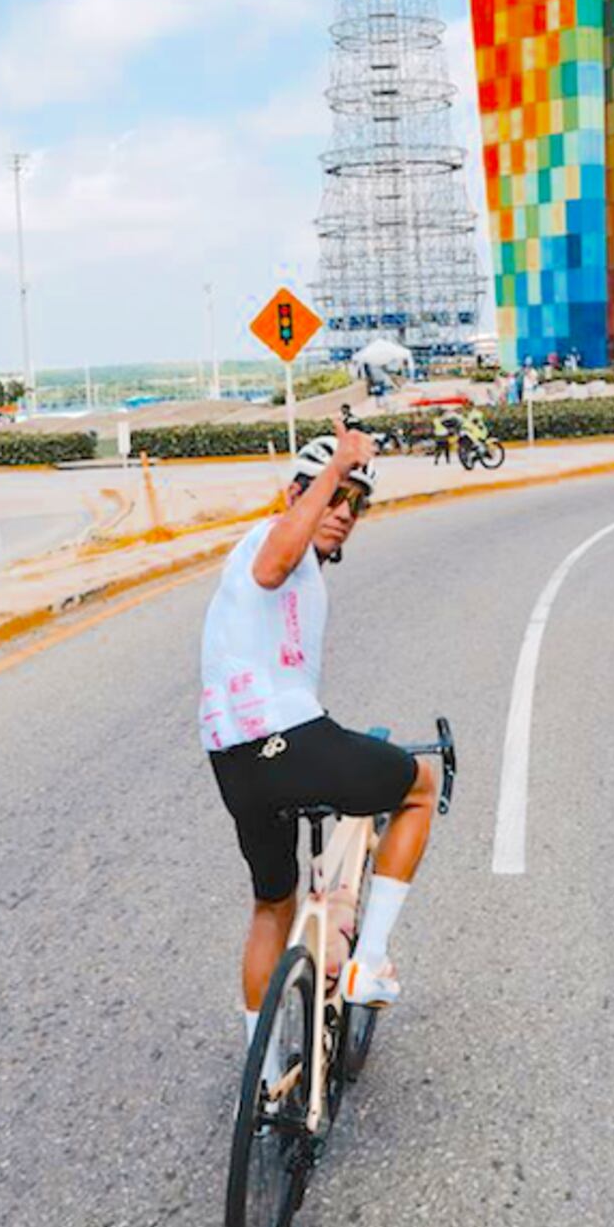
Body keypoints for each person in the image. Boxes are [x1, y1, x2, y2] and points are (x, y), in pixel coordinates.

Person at [199, 426, 436, 1053]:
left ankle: (267, 1072)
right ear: (297, 495)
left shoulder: (299, 571)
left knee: (273, 905)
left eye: (357, 503)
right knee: (419, 788)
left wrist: (336, 477)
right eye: (332, 498)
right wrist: (338, 466)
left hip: (235, 763)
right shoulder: (275, 544)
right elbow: (274, 563)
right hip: (285, 742)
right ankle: (369, 962)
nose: (343, 513)